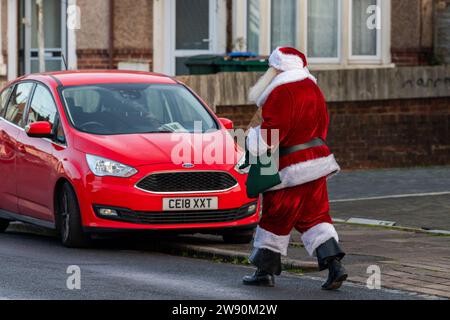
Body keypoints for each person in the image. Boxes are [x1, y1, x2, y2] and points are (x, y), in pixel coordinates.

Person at [242, 47, 347, 290]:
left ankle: (264, 272)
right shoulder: (313, 88)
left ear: (278, 67)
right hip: (316, 164)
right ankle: (335, 266)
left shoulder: (281, 91)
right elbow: (323, 125)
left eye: (272, 67)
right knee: (316, 217)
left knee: (275, 217)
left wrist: (252, 140)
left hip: (289, 169)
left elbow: (273, 132)